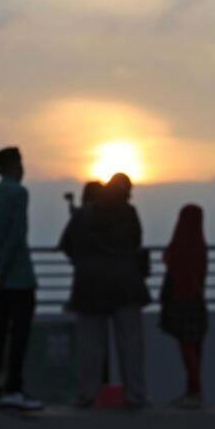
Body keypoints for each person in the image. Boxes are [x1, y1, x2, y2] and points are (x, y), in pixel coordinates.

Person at [59, 173, 151, 408]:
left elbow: (67, 245)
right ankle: (135, 395)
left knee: (90, 346)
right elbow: (135, 243)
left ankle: (87, 395)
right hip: (126, 286)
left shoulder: (81, 215)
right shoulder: (129, 213)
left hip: (90, 286)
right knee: (131, 344)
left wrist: (87, 261)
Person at [0, 146, 43, 411]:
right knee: (19, 335)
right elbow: (17, 235)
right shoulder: (19, 193)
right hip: (17, 279)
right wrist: (2, 271)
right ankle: (13, 388)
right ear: (16, 165)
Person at [159, 204, 208, 408]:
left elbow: (174, 267)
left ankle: (193, 391)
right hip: (197, 302)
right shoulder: (200, 244)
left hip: (182, 302)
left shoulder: (180, 244)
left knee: (187, 349)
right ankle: (193, 390)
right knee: (195, 349)